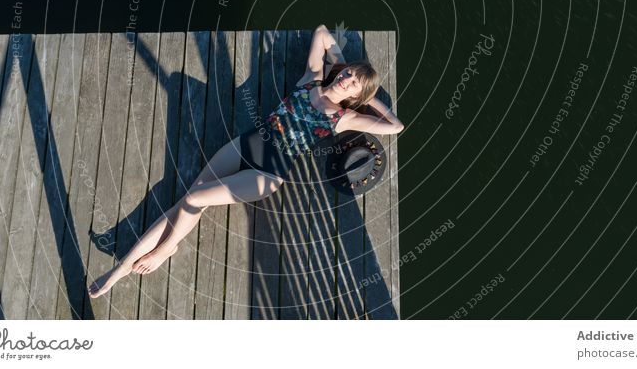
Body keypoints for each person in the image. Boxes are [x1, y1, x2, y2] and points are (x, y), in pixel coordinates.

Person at [88, 24, 404, 298]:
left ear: (355, 96)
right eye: (347, 74)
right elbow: (322, 32)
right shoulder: (312, 78)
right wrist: (342, 64)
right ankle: (121, 269)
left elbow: (395, 126)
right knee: (187, 201)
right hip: (247, 144)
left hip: (269, 172)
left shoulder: (344, 117)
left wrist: (367, 97)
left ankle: (162, 250)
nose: (346, 79)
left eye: (352, 83)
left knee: (196, 199)